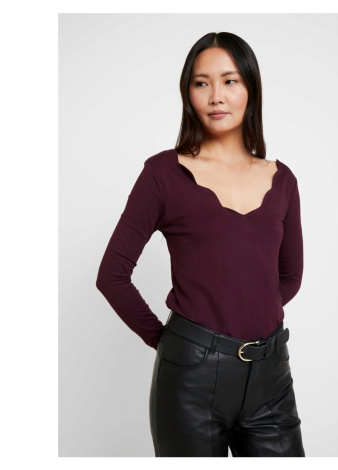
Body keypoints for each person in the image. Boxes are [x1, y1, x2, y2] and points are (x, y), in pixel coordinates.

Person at [96, 31, 305, 457]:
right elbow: (112, 276)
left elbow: (288, 276)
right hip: (191, 379)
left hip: (271, 378)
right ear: (187, 93)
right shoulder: (163, 174)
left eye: (229, 81)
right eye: (201, 82)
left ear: (251, 89)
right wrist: (175, 342)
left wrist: (244, 308)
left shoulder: (282, 179)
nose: (215, 96)